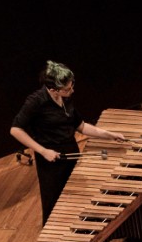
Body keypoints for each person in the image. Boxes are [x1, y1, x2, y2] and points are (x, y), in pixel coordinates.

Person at [10, 61, 127, 223]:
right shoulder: (35, 102)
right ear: (53, 90)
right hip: (51, 161)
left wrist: (110, 134)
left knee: (77, 200)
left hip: (71, 152)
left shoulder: (66, 99)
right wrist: (43, 151)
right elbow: (15, 130)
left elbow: (81, 126)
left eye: (72, 86)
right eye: (67, 89)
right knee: (54, 206)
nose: (72, 90)